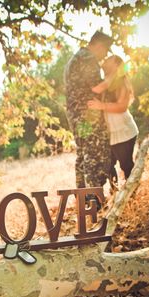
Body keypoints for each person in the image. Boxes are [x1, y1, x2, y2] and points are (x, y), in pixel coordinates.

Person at [64, 31, 113, 206]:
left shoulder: (76, 57)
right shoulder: (88, 58)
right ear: (99, 45)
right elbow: (97, 88)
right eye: (106, 51)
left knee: (83, 152)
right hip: (86, 116)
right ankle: (94, 201)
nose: (105, 56)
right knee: (92, 152)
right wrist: (113, 77)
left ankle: (83, 197)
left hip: (77, 114)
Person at [88, 55, 139, 186]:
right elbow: (95, 89)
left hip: (124, 132)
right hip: (110, 134)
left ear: (116, 64)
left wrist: (102, 106)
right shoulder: (106, 81)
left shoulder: (122, 82)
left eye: (109, 59)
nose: (105, 60)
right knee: (108, 165)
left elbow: (122, 107)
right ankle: (114, 192)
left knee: (126, 165)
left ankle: (132, 195)